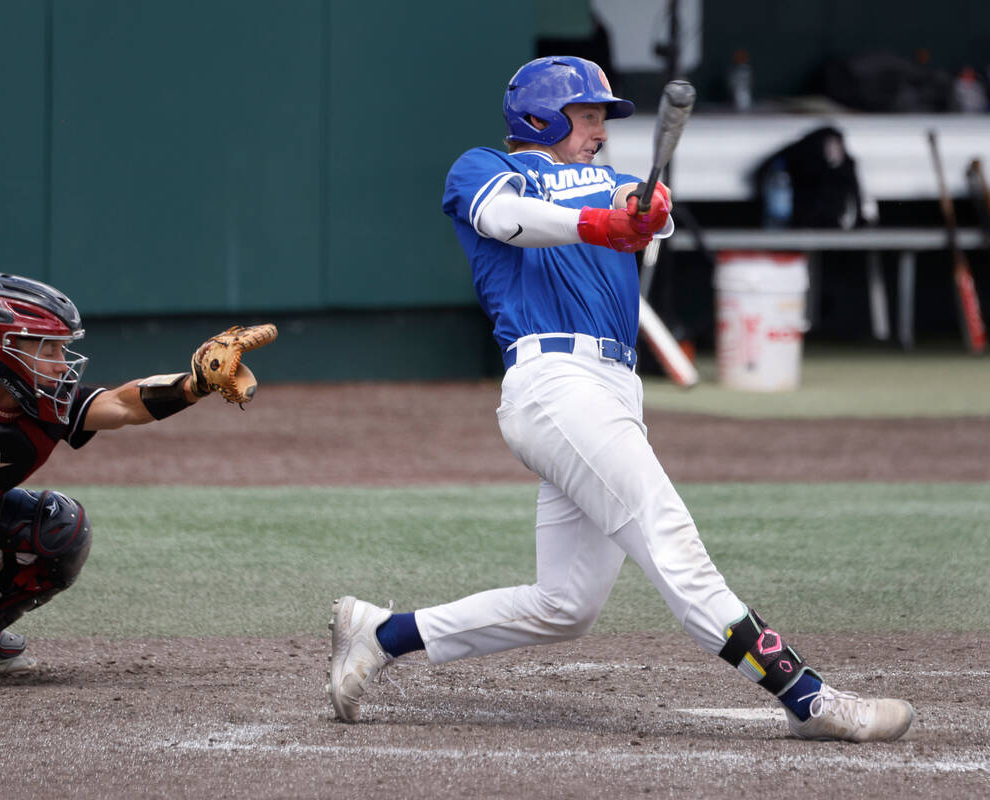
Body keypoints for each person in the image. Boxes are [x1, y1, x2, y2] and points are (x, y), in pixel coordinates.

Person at [326, 56, 915, 742]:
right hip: (554, 383)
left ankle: (382, 633)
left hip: (613, 388)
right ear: (541, 117)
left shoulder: (611, 184)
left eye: (603, 117)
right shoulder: (486, 168)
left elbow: (644, 213)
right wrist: (603, 222)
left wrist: (646, 211)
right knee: (670, 539)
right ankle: (809, 698)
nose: (599, 131)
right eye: (586, 116)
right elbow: (507, 219)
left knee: (566, 603)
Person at [0, 272, 271, 674]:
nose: (61, 365)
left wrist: (193, 385)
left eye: (62, 349)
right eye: (47, 349)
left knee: (60, 529)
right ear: (1, 346)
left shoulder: (48, 405)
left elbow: (123, 405)